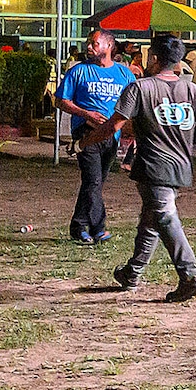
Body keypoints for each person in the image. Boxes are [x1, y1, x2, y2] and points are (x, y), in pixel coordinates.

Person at [89, 34, 196, 302]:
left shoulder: (140, 88)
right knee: (151, 219)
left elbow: (115, 124)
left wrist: (85, 141)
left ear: (153, 58)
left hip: (154, 167)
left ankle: (190, 277)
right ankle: (132, 273)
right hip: (180, 167)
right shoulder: (193, 91)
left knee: (163, 217)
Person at [55, 29, 137, 245]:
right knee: (93, 181)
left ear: (109, 46)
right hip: (86, 133)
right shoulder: (79, 71)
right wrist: (85, 114)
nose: (89, 47)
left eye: (94, 43)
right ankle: (98, 229)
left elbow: (133, 104)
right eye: (88, 43)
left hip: (112, 134)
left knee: (96, 183)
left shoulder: (124, 74)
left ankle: (78, 225)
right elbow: (60, 101)